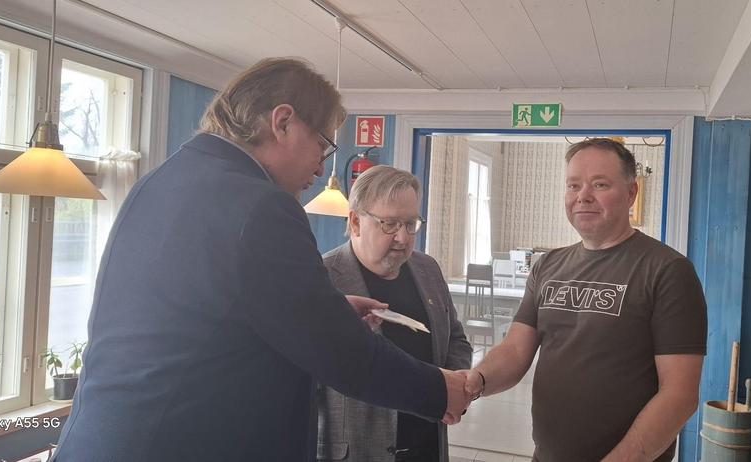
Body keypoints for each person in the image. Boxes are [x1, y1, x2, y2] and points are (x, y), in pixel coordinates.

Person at [51, 58, 471, 461]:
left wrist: (329, 309)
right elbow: (341, 352)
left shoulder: (160, 180)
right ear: (283, 122)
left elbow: (205, 314)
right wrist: (439, 391)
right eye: (323, 146)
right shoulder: (260, 205)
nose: (320, 170)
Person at [460, 138, 707, 462]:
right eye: (573, 185)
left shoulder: (667, 270)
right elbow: (516, 350)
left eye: (600, 184)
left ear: (631, 193)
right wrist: (476, 381)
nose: (583, 196)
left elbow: (679, 394)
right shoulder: (548, 265)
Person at [316, 165, 473, 462]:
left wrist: (453, 383)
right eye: (389, 224)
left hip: (427, 446)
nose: (403, 237)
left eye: (410, 223)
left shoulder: (428, 269)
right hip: (356, 452)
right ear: (356, 222)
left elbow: (455, 338)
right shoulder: (321, 279)